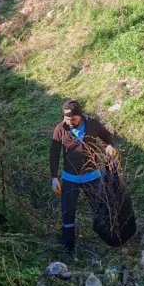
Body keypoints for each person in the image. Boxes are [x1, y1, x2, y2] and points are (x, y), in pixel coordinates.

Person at [49, 100, 121, 256]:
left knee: (100, 209)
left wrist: (109, 145)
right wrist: (54, 177)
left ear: (80, 115)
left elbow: (106, 135)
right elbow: (54, 154)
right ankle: (68, 248)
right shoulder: (60, 129)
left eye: (72, 119)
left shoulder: (92, 124)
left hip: (92, 177)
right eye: (66, 119)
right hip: (70, 179)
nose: (69, 122)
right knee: (68, 213)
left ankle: (106, 242)